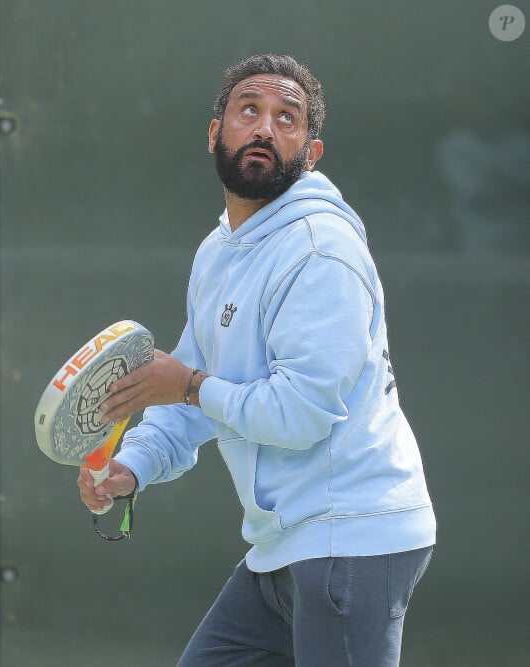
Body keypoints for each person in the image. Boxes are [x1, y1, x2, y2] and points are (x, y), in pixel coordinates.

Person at [78, 53, 436, 666]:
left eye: (287, 117)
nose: (266, 128)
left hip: (353, 538)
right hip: (282, 547)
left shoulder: (321, 252)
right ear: (215, 133)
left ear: (311, 152)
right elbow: (190, 392)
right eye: (250, 110)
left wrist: (189, 385)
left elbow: (298, 412)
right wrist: (131, 466)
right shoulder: (220, 250)